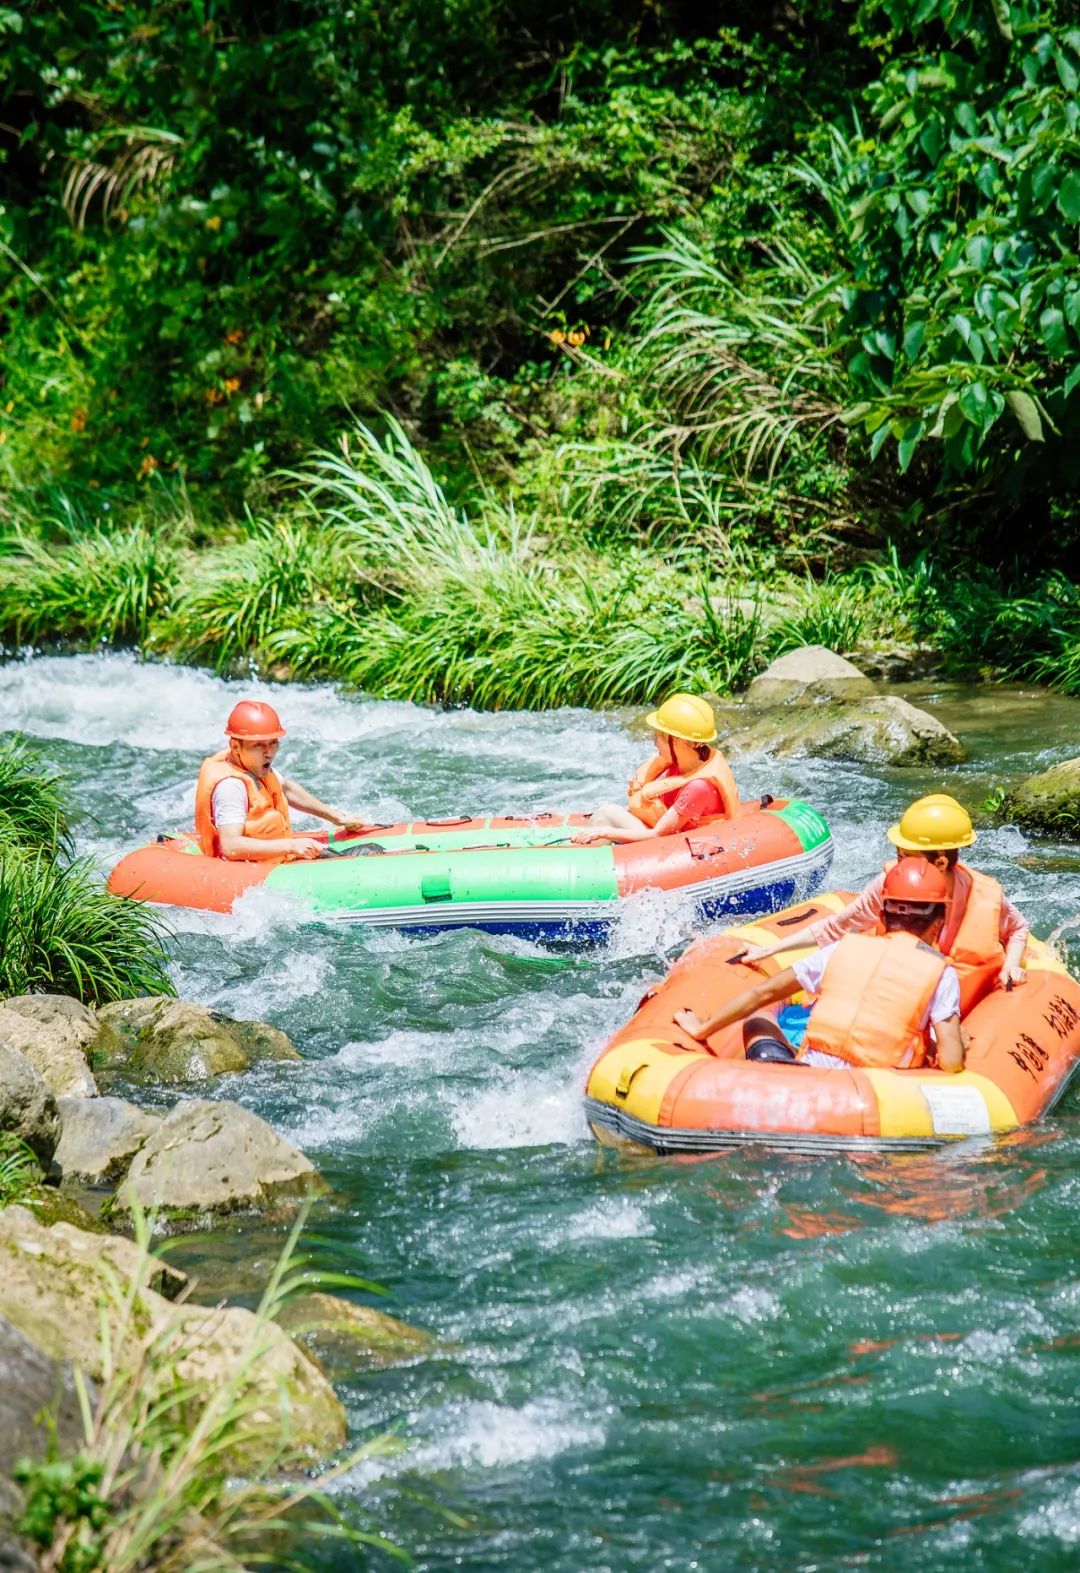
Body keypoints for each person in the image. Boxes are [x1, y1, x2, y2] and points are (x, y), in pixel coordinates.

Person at [674, 859, 965, 1073]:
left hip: (813, 1079)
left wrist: (703, 1029)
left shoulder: (842, 949)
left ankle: (769, 1077)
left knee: (759, 1020)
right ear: (939, 921)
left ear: (882, 917)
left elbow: (761, 994)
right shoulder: (941, 972)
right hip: (879, 1093)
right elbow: (952, 1062)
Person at [742, 794, 1028, 992]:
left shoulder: (984, 895)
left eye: (906, 856)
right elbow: (837, 927)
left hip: (960, 999)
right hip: (906, 992)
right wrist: (769, 950)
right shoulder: (889, 885)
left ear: (940, 862)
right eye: (898, 855)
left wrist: (1011, 966)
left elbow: (1017, 929)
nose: (899, 866)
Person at [194, 701, 372, 861]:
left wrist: (336, 816)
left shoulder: (255, 766)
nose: (269, 752)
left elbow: (287, 789)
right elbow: (231, 846)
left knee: (371, 850)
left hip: (276, 858)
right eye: (258, 745)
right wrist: (291, 845)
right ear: (235, 746)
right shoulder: (231, 787)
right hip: (251, 873)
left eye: (273, 742)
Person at [573, 694, 740, 846]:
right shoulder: (683, 764)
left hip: (675, 847)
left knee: (606, 814)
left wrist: (603, 832)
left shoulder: (698, 787)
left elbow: (659, 835)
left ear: (678, 741)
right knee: (608, 814)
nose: (654, 742)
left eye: (659, 735)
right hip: (668, 833)